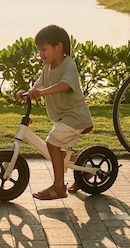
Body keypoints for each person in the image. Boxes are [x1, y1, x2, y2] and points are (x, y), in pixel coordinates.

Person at [16, 24, 94, 200]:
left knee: (52, 143)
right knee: (57, 149)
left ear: (58, 47)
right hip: (64, 118)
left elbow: (65, 85)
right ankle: (87, 171)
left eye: (43, 49)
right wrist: (26, 92)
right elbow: (38, 85)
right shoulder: (48, 67)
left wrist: (41, 93)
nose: (41, 54)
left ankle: (59, 187)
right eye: (39, 50)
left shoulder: (69, 66)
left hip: (76, 117)